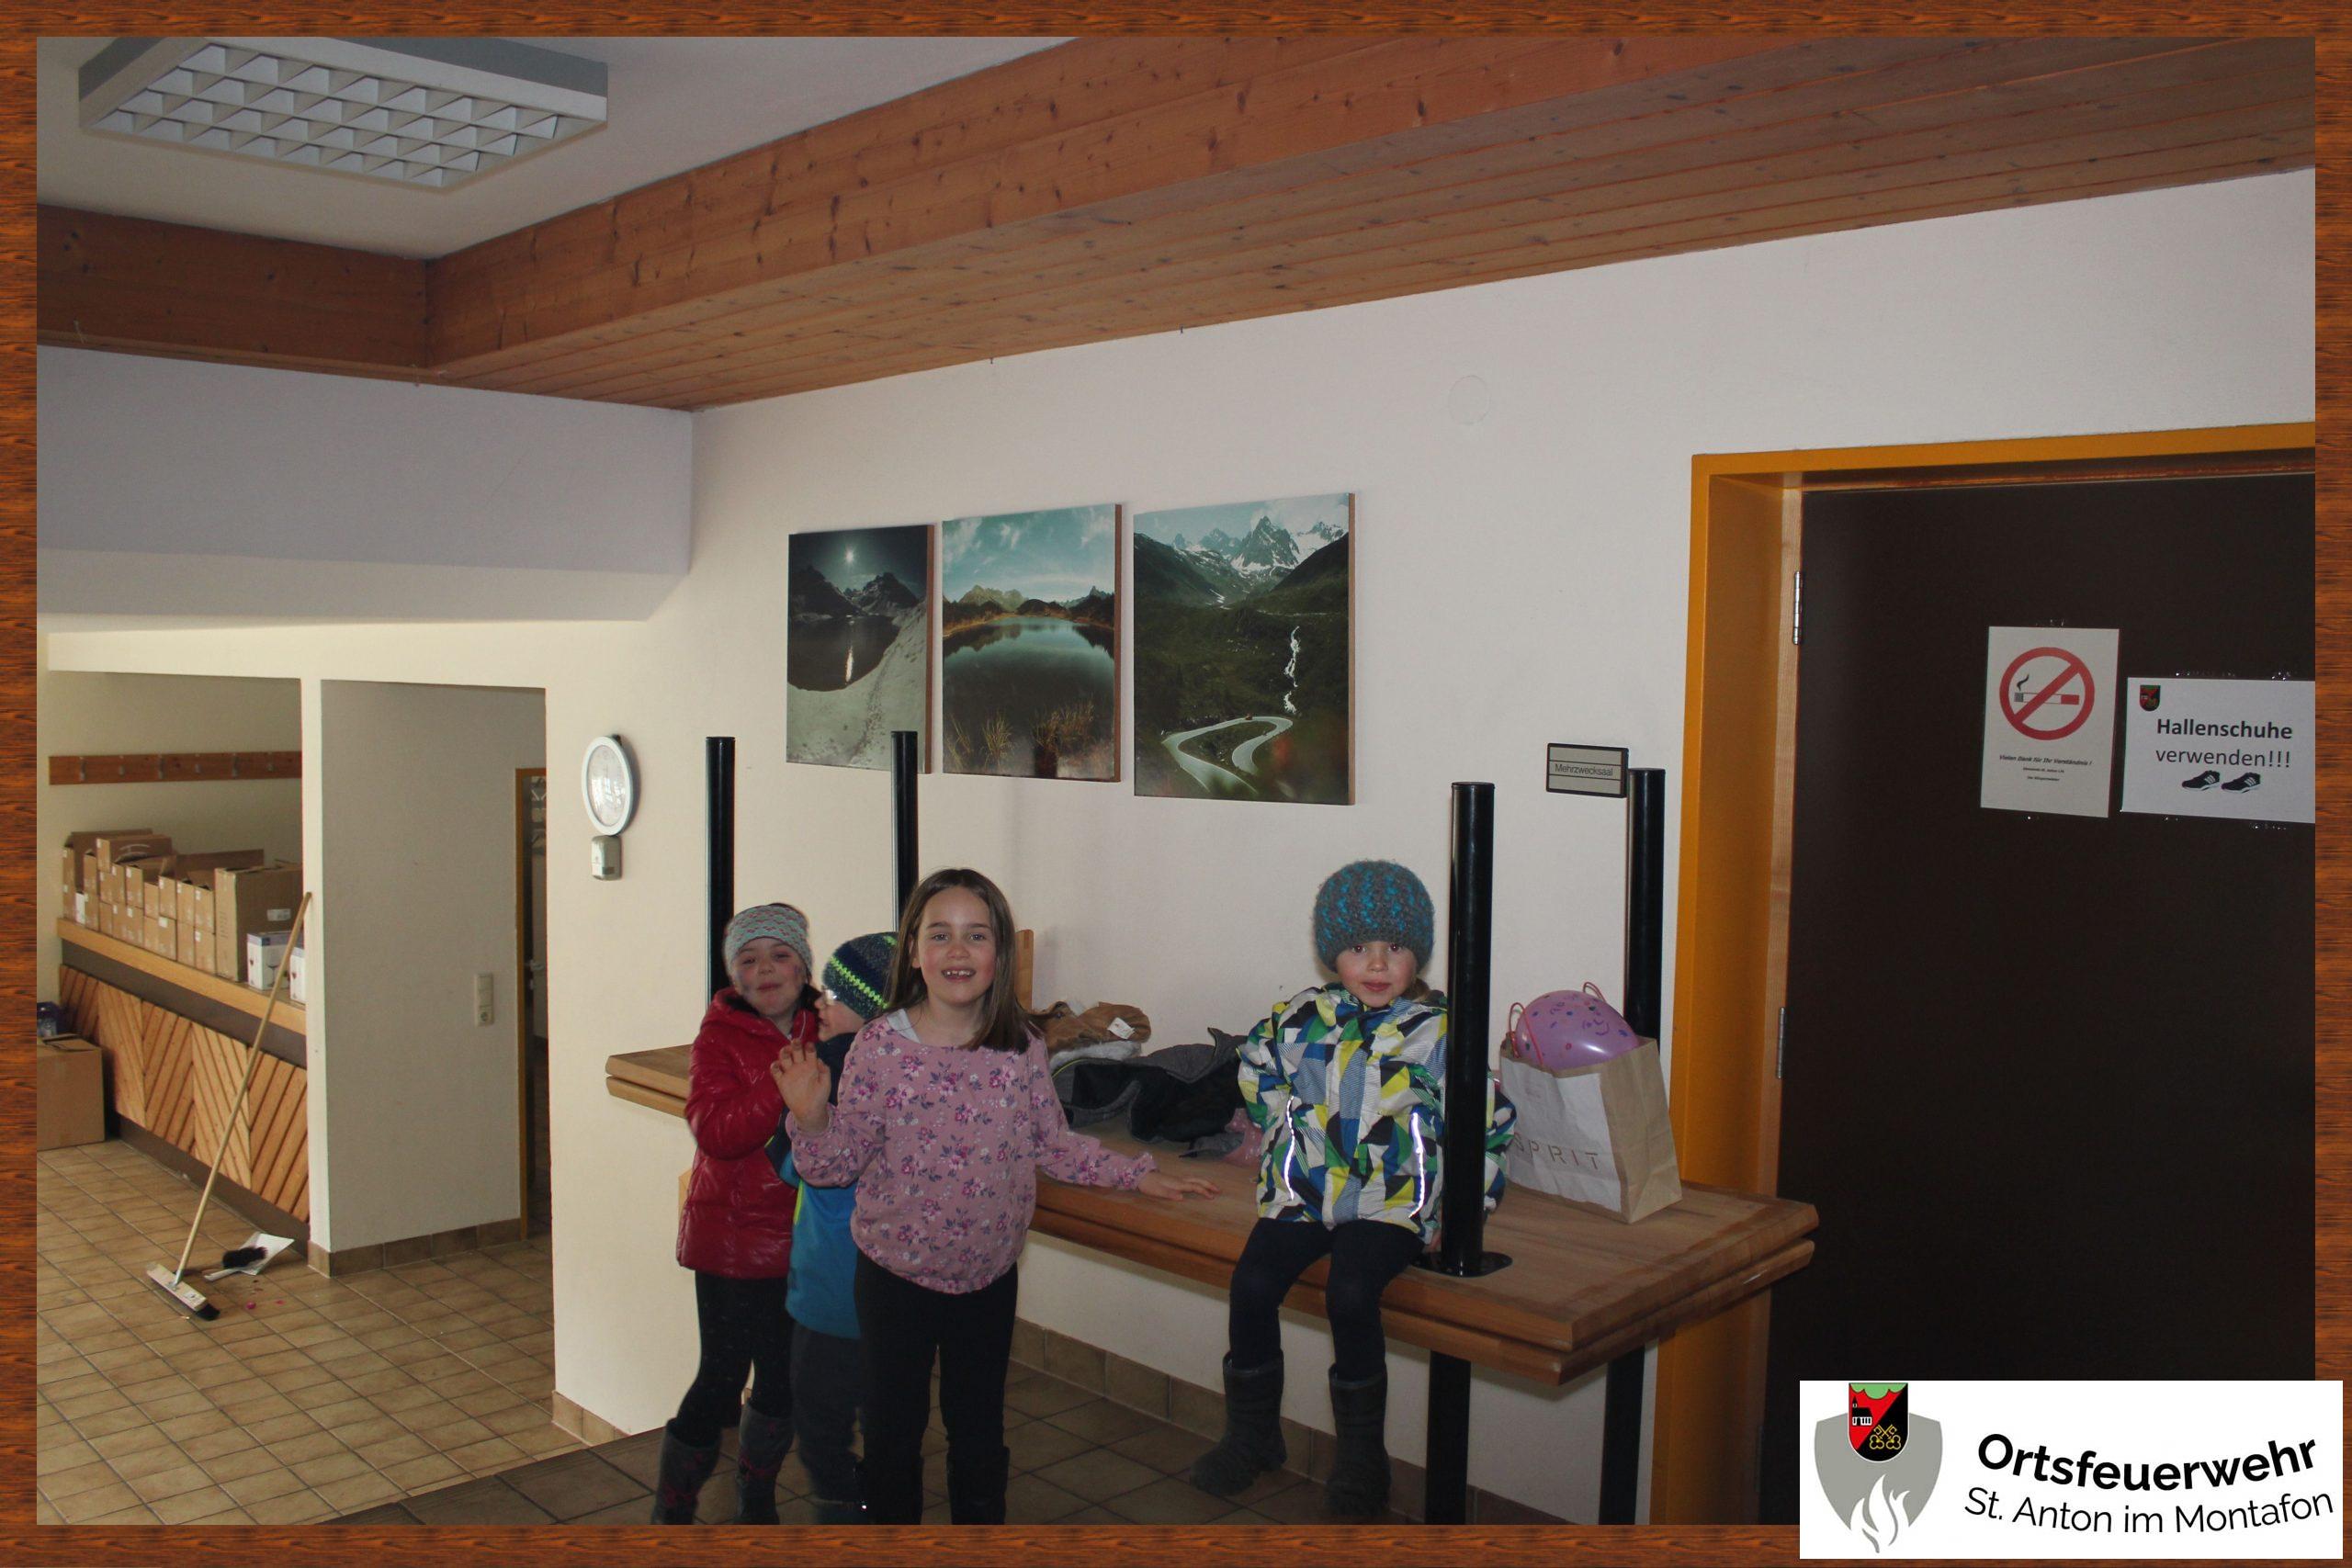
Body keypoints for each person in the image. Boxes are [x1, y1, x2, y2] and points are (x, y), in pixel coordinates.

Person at [775, 868, 1219, 1524]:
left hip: (987, 1278)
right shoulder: (878, 1046)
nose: (958, 950)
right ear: (914, 952)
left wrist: (1138, 1174)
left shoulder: (1020, 1046)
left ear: (1000, 952)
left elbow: (1053, 1144)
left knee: (979, 1432)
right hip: (893, 1279)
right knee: (893, 1435)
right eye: (940, 934)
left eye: (976, 935)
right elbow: (836, 1166)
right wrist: (813, 1118)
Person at [1190, 859, 1509, 1520]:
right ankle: (1253, 1435)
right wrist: (1284, 1129)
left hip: (1391, 1202)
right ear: (1333, 953)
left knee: (1352, 1293)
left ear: (1418, 955)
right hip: (1305, 1193)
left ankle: (1363, 1459)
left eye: (1395, 947)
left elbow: (1487, 1125)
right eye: (1360, 947)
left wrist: (1465, 1209)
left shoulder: (1439, 1033)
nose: (1378, 963)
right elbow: (1255, 1066)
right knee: (1251, 1284)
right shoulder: (1302, 1017)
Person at [654, 903, 820, 1526]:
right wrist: (782, 1083)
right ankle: (674, 1507)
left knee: (783, 1378)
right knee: (721, 1378)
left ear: (804, 967)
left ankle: (757, 1497)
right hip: (731, 1238)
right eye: (749, 959)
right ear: (733, 975)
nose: (766, 969)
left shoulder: (828, 1029)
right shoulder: (717, 1037)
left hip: (801, 1237)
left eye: (781, 954)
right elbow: (716, 1131)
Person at [765, 930, 897, 1525]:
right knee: (889, 1414)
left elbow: (789, 1164)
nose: (820, 1002)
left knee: (820, 1418)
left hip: (833, 1287)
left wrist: (794, 1111)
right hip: (896, 1288)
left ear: (872, 1008)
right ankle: (885, 1504)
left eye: (836, 994)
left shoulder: (833, 1069)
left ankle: (842, 1510)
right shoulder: (914, 1070)